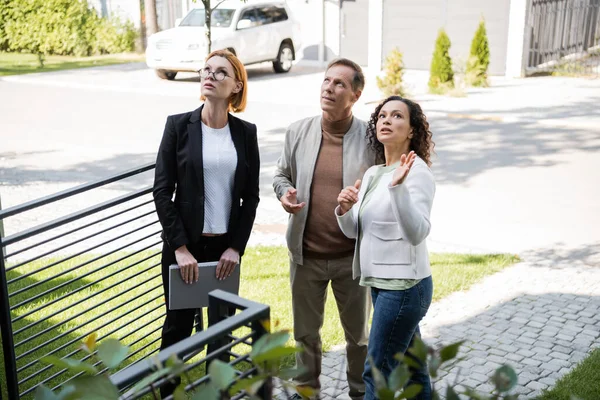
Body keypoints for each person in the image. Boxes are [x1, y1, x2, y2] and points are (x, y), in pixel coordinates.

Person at [153, 49, 260, 397]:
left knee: (222, 326)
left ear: (235, 86)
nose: (209, 76)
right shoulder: (178, 126)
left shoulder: (246, 133)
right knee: (178, 328)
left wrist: (235, 247)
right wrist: (180, 249)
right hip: (184, 248)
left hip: (223, 249)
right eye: (206, 70)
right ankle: (166, 392)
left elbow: (251, 197)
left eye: (220, 72)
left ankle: (219, 392)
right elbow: (162, 190)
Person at [273, 58, 378, 400]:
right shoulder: (298, 131)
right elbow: (280, 175)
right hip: (306, 257)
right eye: (326, 81)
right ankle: (308, 394)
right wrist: (283, 193)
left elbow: (384, 190)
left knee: (359, 338)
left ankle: (360, 393)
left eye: (339, 84)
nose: (329, 88)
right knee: (305, 337)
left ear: (356, 95)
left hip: (353, 259)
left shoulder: (371, 139)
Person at [336, 96, 436, 400]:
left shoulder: (417, 173)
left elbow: (417, 232)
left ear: (411, 130)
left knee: (377, 371)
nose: (386, 120)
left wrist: (398, 189)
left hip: (405, 288)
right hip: (380, 284)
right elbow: (356, 230)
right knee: (414, 368)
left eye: (397, 116)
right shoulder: (372, 173)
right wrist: (343, 209)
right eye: (382, 116)